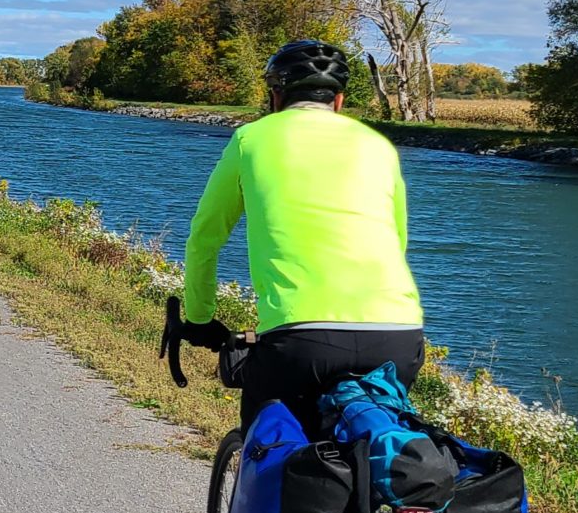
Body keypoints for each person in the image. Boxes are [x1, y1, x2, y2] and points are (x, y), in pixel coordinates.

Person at [174, 38, 425, 439]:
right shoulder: (379, 146)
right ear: (340, 101)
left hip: (300, 339)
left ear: (275, 96)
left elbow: (205, 237)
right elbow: (397, 241)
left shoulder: (250, 139)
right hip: (397, 336)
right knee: (375, 448)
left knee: (269, 450)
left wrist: (200, 318)